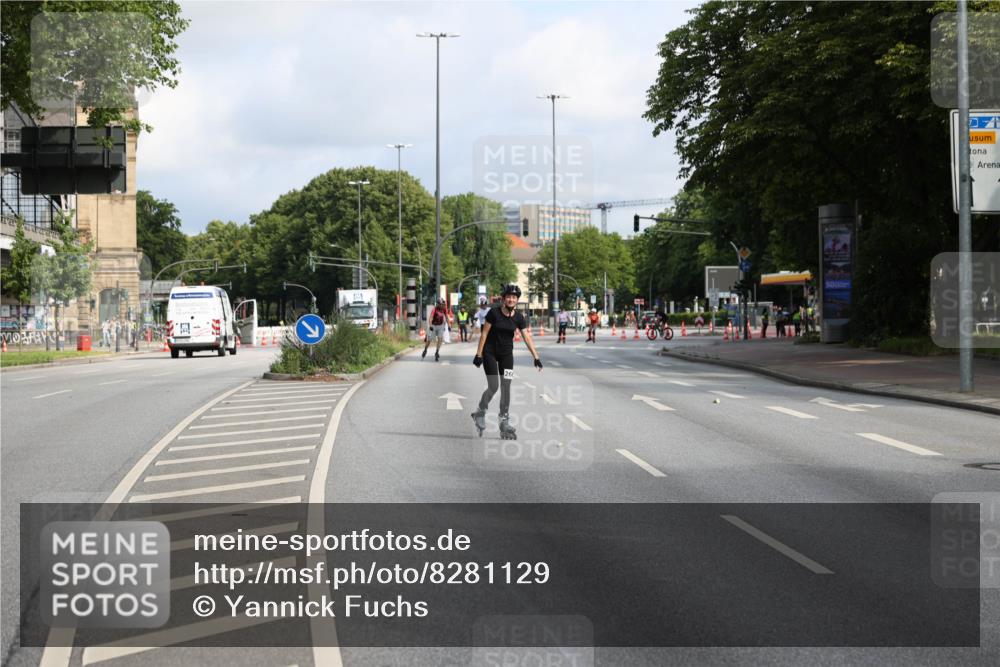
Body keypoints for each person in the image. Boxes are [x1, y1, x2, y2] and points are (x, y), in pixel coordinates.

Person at [471, 284, 542, 440]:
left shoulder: (519, 317)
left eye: (514, 297)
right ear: (503, 299)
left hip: (506, 355)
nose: (511, 299)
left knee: (506, 385)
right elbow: (484, 334)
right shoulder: (493, 313)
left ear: (517, 300)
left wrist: (536, 357)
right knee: (494, 385)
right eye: (508, 297)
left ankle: (504, 420)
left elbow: (526, 337)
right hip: (489, 352)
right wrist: (479, 354)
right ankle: (480, 411)